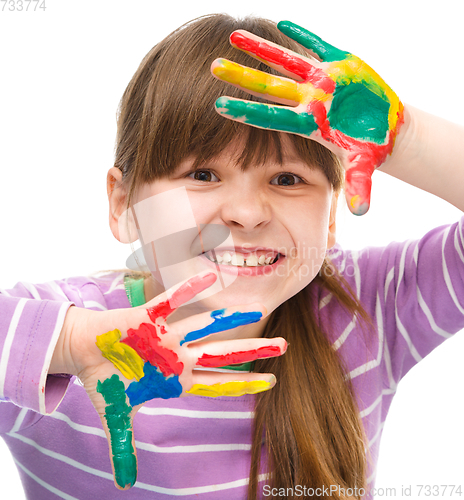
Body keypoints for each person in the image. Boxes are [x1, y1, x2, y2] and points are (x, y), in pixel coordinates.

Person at [1, 12, 463, 500]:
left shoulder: (367, 309)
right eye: (202, 174)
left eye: (287, 179)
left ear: (330, 220)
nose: (246, 213)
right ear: (123, 205)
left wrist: (406, 140)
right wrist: (72, 343)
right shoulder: (57, 339)